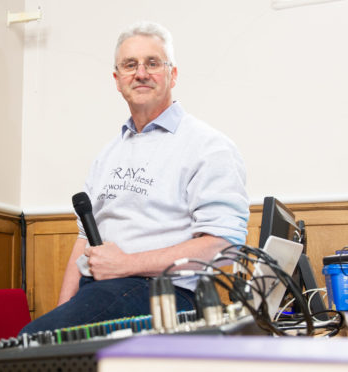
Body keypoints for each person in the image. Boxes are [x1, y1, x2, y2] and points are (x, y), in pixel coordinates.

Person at [20, 21, 249, 334]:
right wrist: (64, 308)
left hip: (166, 294)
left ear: (174, 74)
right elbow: (84, 240)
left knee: (30, 342)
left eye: (153, 63)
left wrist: (126, 264)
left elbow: (225, 246)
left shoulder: (208, 146)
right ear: (118, 79)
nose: (141, 73)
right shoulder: (107, 154)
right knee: (41, 342)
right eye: (130, 65)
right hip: (98, 291)